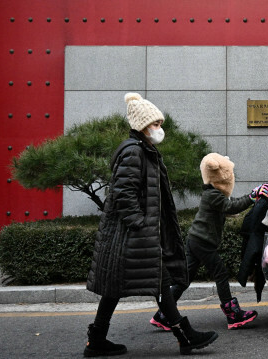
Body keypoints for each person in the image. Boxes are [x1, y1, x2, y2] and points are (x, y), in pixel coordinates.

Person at [84, 93, 217, 357]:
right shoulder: (134, 152)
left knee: (126, 285)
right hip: (132, 235)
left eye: (159, 123)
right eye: (155, 124)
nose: (159, 129)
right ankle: (184, 335)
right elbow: (124, 193)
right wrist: (140, 224)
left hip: (134, 236)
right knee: (147, 282)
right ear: (142, 126)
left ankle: (98, 339)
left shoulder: (144, 150)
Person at [150, 153, 268, 330]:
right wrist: (253, 196)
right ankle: (233, 314)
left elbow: (231, 206)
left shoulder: (213, 194)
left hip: (196, 240)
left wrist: (253, 195)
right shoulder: (212, 194)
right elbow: (231, 206)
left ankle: (163, 315)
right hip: (202, 242)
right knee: (221, 274)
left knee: (184, 279)